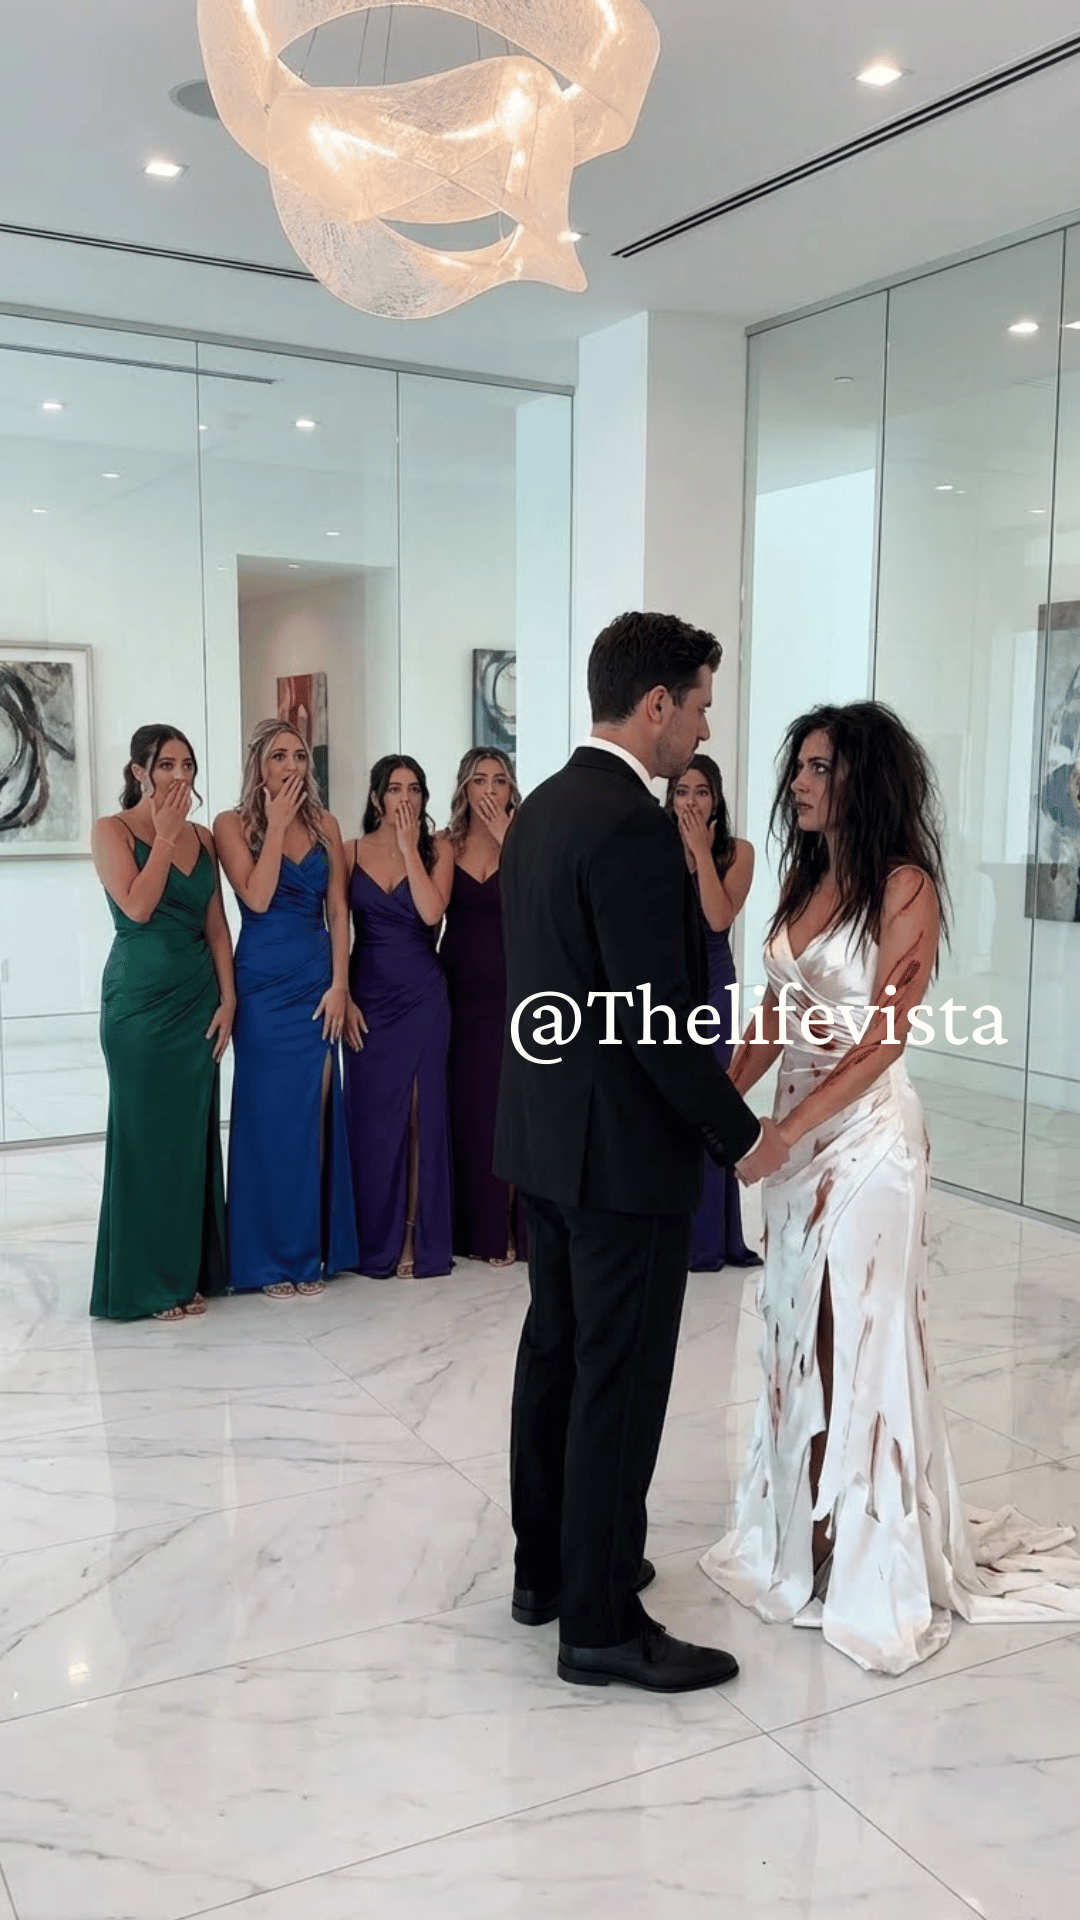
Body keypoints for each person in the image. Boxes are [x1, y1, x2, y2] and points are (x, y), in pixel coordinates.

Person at [700, 701, 1080, 1673]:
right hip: (792, 1146)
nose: (797, 783)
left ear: (862, 779)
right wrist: (720, 1105)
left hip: (868, 1144)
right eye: (798, 767)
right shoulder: (802, 877)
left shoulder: (905, 885)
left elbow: (883, 1040)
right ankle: (807, 1528)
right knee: (798, 1327)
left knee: (859, 1332)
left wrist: (784, 1130)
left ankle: (867, 1546)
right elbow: (774, 1015)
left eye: (818, 768)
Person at [495, 610, 787, 1693]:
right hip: (619, 1157)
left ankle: (550, 1573)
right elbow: (652, 1020)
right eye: (700, 704)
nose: (704, 726)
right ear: (656, 703)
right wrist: (740, 1136)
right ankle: (603, 1621)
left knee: (556, 1357)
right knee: (616, 1379)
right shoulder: (629, 824)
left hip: (547, 1141)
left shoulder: (540, 809)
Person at [90, 725, 232, 1321]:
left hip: (198, 1003)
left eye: (187, 765)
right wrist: (167, 838)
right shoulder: (111, 831)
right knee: (144, 1139)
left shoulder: (205, 837)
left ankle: (186, 1272)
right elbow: (138, 906)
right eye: (167, 765)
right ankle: (145, 1283)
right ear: (139, 772)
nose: (180, 776)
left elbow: (216, 926)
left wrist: (230, 999)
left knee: (188, 1140)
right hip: (139, 1006)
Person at [214, 720, 359, 1298]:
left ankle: (307, 1250)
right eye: (279, 756)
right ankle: (266, 1258)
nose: (292, 765)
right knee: (267, 1119)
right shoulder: (231, 825)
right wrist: (274, 825)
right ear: (259, 765)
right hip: (261, 986)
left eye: (299, 755)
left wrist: (341, 984)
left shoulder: (327, 825)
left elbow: (339, 911)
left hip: (315, 983)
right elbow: (255, 896)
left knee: (312, 1115)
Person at [344, 756, 454, 1279]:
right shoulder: (348, 851)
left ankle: (414, 1238)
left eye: (414, 789)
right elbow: (336, 927)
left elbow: (432, 912)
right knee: (371, 1118)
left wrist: (410, 849)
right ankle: (369, 1238)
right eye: (394, 789)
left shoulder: (439, 849)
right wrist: (342, 993)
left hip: (423, 996)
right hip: (367, 996)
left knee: (418, 1115)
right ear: (376, 798)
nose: (405, 798)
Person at [667, 753, 762, 1272]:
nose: (690, 802)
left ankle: (709, 1239)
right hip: (666, 985)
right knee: (666, 1104)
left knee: (711, 1098)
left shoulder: (737, 852)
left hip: (713, 986)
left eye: (701, 792)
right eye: (681, 791)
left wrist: (701, 853)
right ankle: (670, 1232)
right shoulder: (653, 847)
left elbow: (719, 916)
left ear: (716, 799)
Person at [439, 748, 525, 1266]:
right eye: (479, 780)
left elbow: (540, 903)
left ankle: (509, 1227)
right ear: (464, 788)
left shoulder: (526, 839)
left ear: (511, 788)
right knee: (469, 1109)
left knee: (508, 1109)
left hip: (514, 991)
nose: (489, 789)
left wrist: (507, 839)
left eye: (499, 780)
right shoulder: (444, 844)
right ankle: (472, 1228)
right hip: (458, 992)